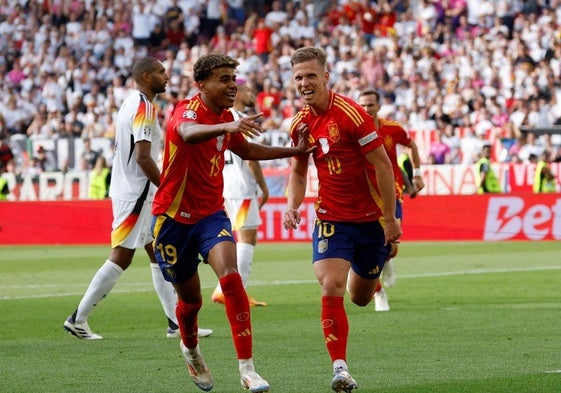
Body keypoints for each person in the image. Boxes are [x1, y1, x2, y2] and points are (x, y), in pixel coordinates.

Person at [150, 53, 312, 393]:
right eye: (223, 79)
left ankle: (248, 370)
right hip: (172, 219)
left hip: (211, 215)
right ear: (202, 84)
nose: (231, 85)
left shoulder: (225, 117)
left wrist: (293, 151)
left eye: (232, 78)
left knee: (231, 278)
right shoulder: (188, 111)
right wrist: (227, 126)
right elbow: (187, 132)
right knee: (190, 302)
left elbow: (248, 151)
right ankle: (191, 349)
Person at [63, 57, 213, 340]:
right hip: (137, 193)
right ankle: (78, 318)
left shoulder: (130, 102)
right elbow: (143, 157)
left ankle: (175, 323)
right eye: (160, 72)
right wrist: (167, 188)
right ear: (146, 76)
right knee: (121, 255)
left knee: (156, 252)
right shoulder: (144, 106)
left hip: (132, 189)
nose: (166, 76)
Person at [282, 47, 402, 393]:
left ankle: (374, 268)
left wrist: (390, 218)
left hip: (371, 220)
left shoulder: (351, 114)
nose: (305, 83)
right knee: (329, 284)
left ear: (325, 76)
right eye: (299, 77)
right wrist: (293, 205)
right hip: (332, 216)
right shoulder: (299, 123)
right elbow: (299, 169)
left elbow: (382, 165)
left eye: (310, 75)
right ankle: (340, 368)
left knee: (360, 297)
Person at [357, 88, 424, 312]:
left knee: (392, 244)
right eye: (363, 105)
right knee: (368, 248)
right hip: (363, 195)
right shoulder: (352, 129)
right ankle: (379, 294)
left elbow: (411, 145)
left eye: (370, 105)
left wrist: (416, 175)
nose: (367, 109)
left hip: (391, 193)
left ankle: (387, 259)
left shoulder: (392, 129)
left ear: (378, 106)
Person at [211, 78, 268, 307]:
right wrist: (263, 188)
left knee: (241, 237)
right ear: (238, 94)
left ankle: (223, 289)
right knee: (247, 237)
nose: (251, 92)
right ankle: (235, 291)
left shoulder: (224, 119)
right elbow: (251, 157)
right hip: (242, 186)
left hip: (227, 185)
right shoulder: (239, 120)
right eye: (247, 89)